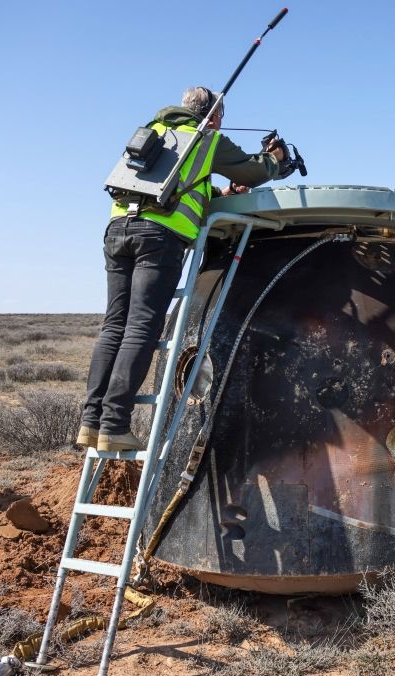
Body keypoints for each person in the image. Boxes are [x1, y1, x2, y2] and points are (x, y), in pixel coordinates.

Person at [77, 86, 287, 452]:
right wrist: (274, 158)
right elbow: (254, 172)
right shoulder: (206, 137)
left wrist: (216, 194)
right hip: (159, 239)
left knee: (115, 326)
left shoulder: (153, 132)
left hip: (117, 231)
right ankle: (114, 424)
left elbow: (174, 187)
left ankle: (91, 421)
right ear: (215, 115)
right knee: (143, 325)